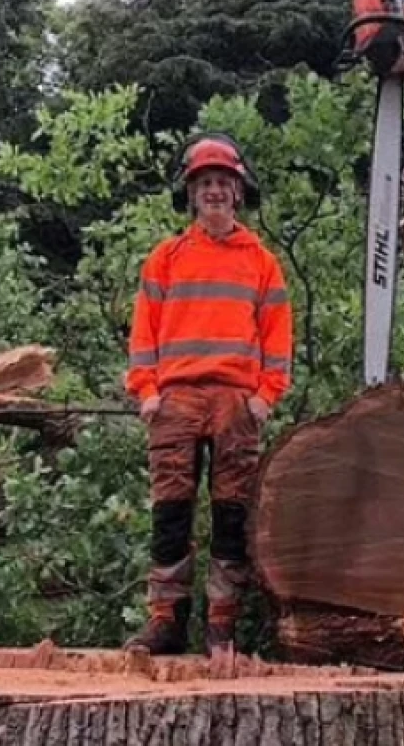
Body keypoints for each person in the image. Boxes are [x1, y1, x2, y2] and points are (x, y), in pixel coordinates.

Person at [123, 132, 293, 657]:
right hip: (175, 399)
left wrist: (266, 395)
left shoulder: (261, 262)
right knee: (170, 513)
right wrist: (146, 392)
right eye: (205, 183)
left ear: (238, 192)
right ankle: (165, 620)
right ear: (192, 194)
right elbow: (143, 333)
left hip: (235, 402)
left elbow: (278, 336)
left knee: (231, 514)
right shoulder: (166, 259)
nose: (215, 191)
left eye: (223, 182)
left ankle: (222, 625)